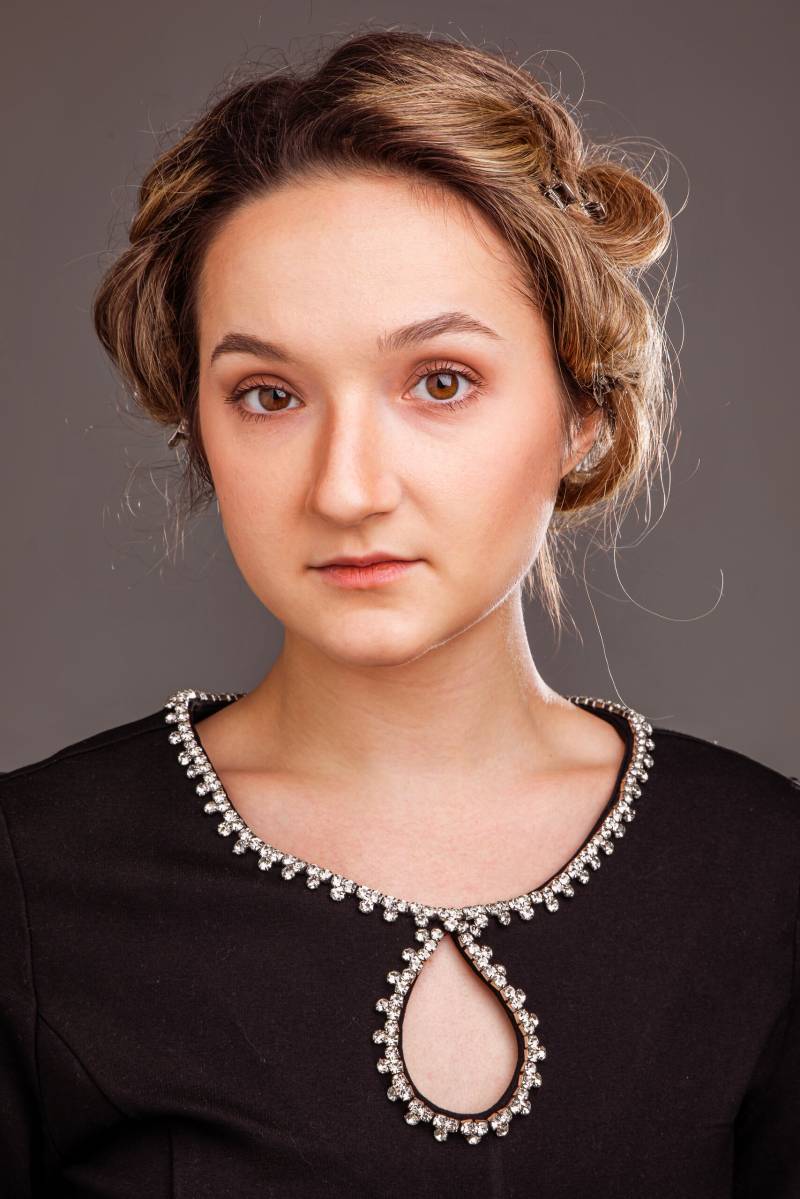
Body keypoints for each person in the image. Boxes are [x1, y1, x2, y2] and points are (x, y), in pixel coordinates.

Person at [1, 27, 797, 1199]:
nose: (345, 486)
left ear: (582, 410)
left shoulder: (765, 872)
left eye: (439, 381)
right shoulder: (32, 876)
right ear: (199, 430)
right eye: (268, 394)